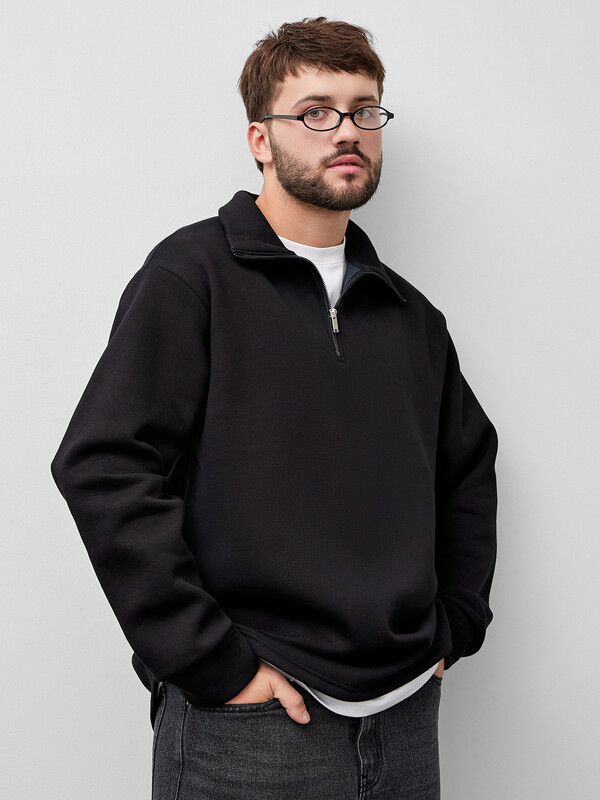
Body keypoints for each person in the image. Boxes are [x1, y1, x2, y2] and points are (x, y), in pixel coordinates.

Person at [50, 16, 498, 800]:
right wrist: (211, 662)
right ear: (260, 139)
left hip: (404, 717)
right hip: (253, 723)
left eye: (364, 109)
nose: (347, 131)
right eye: (316, 111)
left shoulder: (412, 317)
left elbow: (467, 468)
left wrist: (457, 623)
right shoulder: (191, 276)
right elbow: (103, 465)